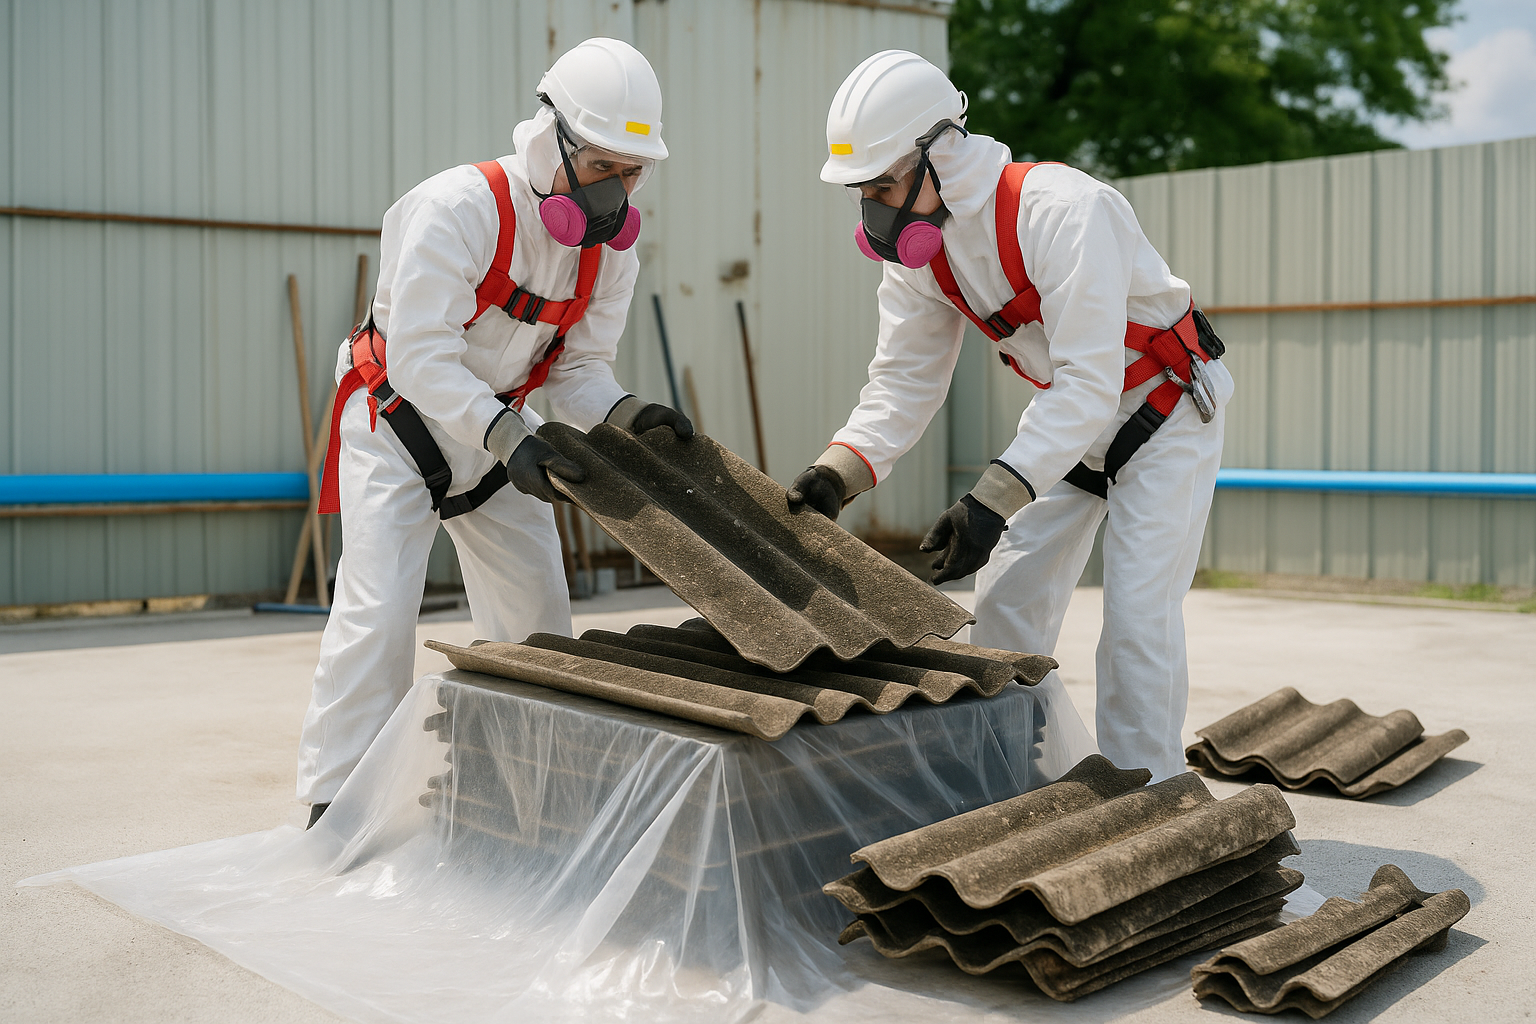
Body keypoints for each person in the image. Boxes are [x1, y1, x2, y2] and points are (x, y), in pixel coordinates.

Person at [787, 50, 1233, 781]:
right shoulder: (918, 255)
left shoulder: (1062, 210)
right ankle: (1030, 780)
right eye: (862, 192)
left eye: (885, 185)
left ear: (942, 152)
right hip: (1070, 428)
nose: (875, 211)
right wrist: (841, 470)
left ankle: (1148, 804)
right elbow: (904, 380)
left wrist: (992, 499)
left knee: (1136, 624)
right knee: (1003, 610)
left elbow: (1090, 380)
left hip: (1166, 408)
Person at [298, 38, 692, 825]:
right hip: (396, 420)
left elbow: (579, 369)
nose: (616, 191)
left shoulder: (610, 254)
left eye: (632, 171)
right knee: (378, 613)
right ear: (551, 137)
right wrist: (507, 436)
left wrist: (623, 416)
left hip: (502, 427)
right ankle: (333, 805)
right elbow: (419, 356)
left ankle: (540, 794)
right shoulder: (458, 208)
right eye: (602, 167)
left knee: (539, 613)